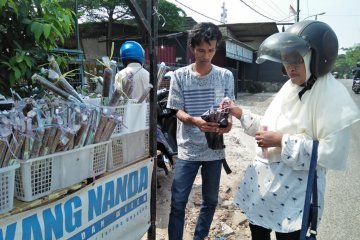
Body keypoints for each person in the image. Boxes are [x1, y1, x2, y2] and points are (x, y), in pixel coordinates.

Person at [220, 21, 360, 240]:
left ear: (317, 58)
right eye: (286, 60)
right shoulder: (289, 88)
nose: (291, 67)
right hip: (264, 191)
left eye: (297, 60)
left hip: (295, 197)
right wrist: (240, 114)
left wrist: (281, 140)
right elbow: (269, 127)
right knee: (258, 232)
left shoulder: (332, 99)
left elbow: (330, 153)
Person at [166, 22, 235, 240]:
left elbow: (228, 108)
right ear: (192, 49)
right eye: (201, 50)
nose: (206, 55)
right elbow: (176, 109)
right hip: (188, 150)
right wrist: (195, 121)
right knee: (178, 201)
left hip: (214, 150)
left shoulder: (225, 76)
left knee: (210, 201)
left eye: (211, 50)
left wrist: (228, 123)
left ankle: (199, 237)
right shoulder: (179, 76)